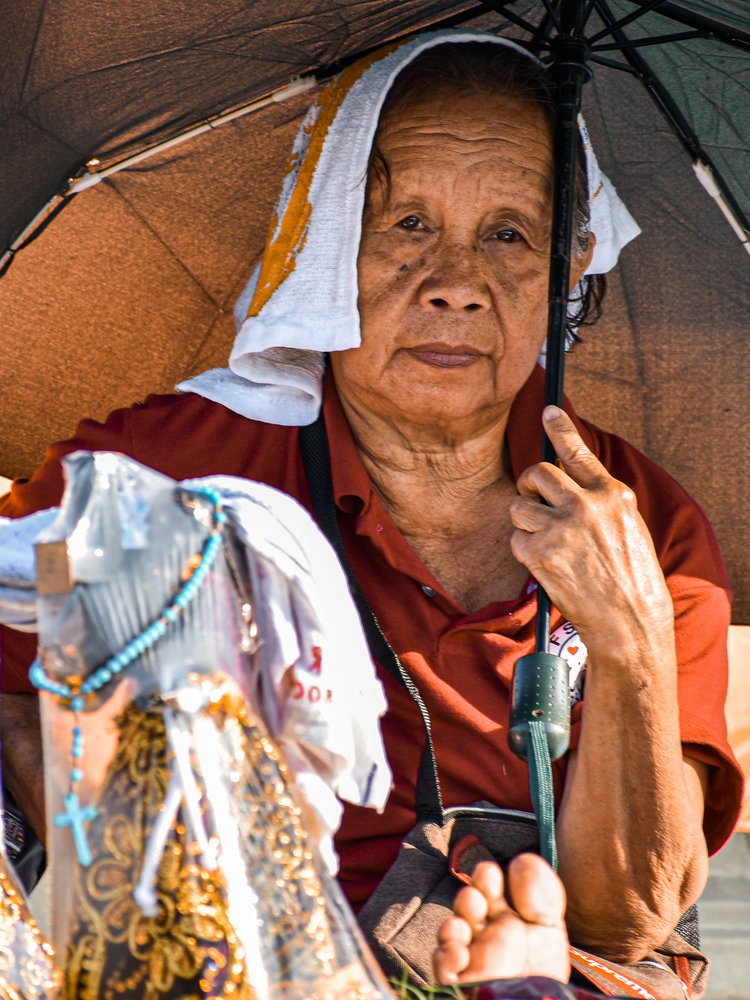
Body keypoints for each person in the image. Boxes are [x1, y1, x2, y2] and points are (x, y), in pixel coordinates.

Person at [0, 29, 742, 987]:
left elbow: (628, 918)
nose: (457, 286)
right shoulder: (163, 468)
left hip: (549, 961)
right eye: (406, 226)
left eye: (511, 233)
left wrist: (631, 635)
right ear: (324, 246)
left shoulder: (644, 524)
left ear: (570, 267)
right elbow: (15, 702)